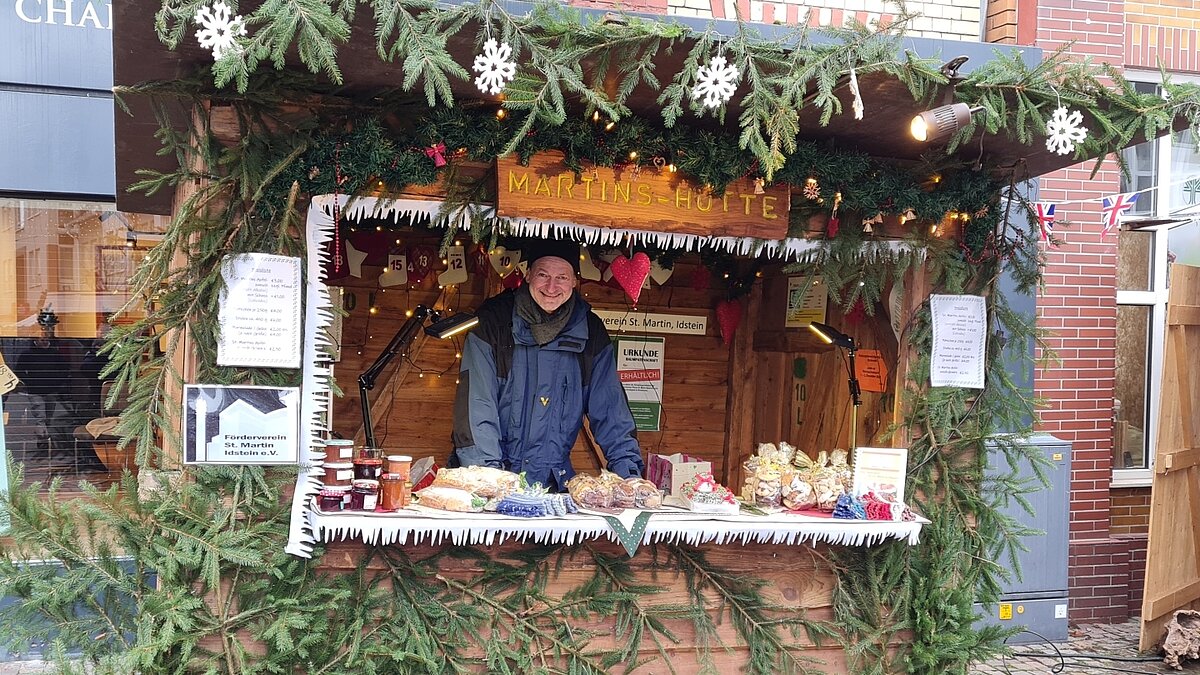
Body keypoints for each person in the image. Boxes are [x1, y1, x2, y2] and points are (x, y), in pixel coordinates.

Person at [450, 240, 644, 490]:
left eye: (562, 277)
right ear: (528, 274)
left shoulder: (591, 331)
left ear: (574, 281)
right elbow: (476, 407)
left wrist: (629, 477)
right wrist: (488, 481)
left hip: (554, 483)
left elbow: (610, 410)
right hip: (495, 479)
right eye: (543, 275)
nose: (552, 287)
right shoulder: (494, 322)